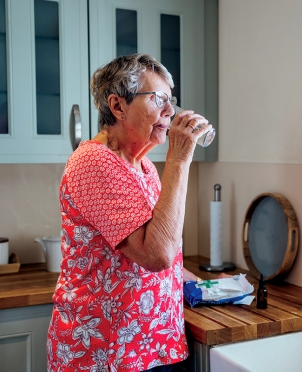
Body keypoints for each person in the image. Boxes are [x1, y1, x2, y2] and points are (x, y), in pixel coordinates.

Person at [47, 53, 212, 372]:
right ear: (118, 106)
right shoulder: (94, 163)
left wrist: (205, 284)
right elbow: (155, 255)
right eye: (157, 99)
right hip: (109, 355)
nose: (170, 111)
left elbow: (161, 251)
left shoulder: (144, 166)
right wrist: (179, 160)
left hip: (154, 347)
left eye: (170, 100)